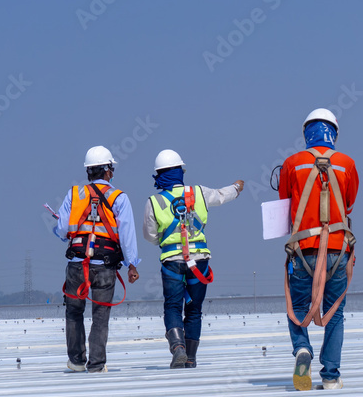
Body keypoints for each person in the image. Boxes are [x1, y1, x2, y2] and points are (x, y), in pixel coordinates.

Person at [279, 109, 359, 391]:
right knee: (334, 313)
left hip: (302, 250)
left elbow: (284, 206)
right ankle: (331, 376)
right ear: (334, 132)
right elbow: (348, 206)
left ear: (306, 133)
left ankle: (302, 349)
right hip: (338, 250)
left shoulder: (292, 163)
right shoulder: (346, 164)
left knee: (298, 308)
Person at [143, 149, 242, 368]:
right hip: (200, 262)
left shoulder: (154, 201)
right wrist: (237, 187)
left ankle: (177, 347)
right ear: (181, 171)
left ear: (158, 174)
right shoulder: (198, 193)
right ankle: (190, 357)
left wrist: (167, 242)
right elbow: (222, 195)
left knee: (172, 306)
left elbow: (149, 235)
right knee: (194, 309)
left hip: (172, 262)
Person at [53, 146, 140, 373]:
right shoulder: (119, 198)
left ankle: (76, 361)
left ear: (88, 172)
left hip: (77, 264)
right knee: (100, 314)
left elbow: (62, 229)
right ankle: (97, 364)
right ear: (108, 171)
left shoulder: (74, 194)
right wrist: (132, 265)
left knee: (74, 312)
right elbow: (127, 235)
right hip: (105, 266)